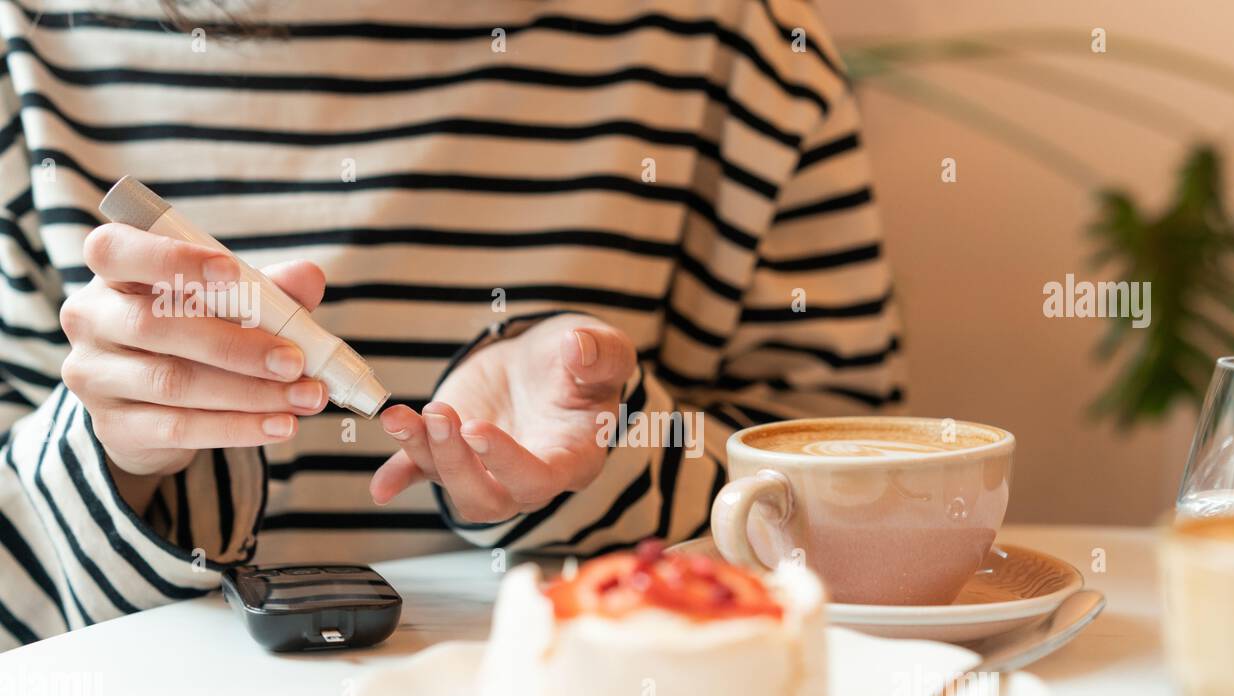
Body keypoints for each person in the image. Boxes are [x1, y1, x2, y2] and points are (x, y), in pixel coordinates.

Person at [0, 0, 903, 647]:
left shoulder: (733, 47)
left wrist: (605, 455)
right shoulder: (31, 47)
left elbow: (868, 525)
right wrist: (122, 454)